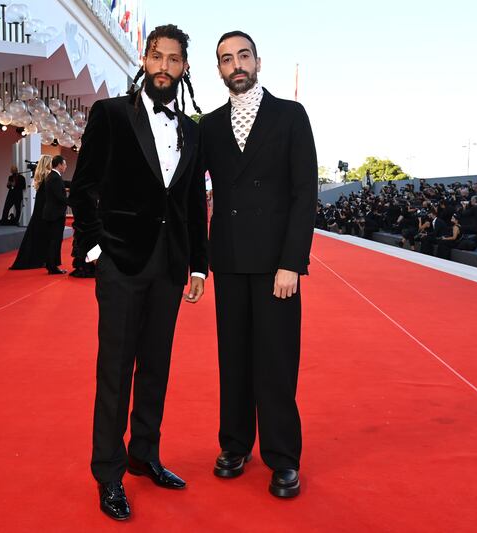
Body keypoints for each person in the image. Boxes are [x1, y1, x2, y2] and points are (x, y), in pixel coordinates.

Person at [68, 24, 208, 521]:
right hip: (122, 262)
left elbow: (193, 201)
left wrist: (199, 265)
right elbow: (83, 186)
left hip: (170, 265)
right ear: (144, 61)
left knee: (156, 367)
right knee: (115, 372)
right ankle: (108, 474)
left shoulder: (192, 129)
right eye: (157, 56)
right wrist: (92, 250)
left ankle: (144, 454)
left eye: (174, 59)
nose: (165, 66)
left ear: (184, 67)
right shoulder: (110, 115)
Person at [200, 30, 316, 499]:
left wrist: (292, 262)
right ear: (220, 69)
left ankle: (283, 457)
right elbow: (191, 191)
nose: (236, 64)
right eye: (227, 59)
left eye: (243, 55)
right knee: (233, 359)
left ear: (258, 61)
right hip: (228, 259)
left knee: (276, 361)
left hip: (276, 267)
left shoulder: (290, 116)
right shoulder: (208, 126)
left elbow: (303, 193)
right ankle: (235, 444)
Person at [10, 156, 53, 270]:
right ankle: (40, 259)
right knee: (42, 234)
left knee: (36, 233)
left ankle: (38, 258)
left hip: (39, 207)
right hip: (43, 207)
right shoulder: (49, 175)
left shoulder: (41, 175)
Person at [42, 156, 68, 275]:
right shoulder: (55, 178)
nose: (66, 166)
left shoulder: (51, 176)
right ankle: (53, 267)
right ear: (59, 165)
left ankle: (51, 265)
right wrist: (74, 202)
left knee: (52, 240)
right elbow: (60, 197)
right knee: (55, 241)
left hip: (51, 213)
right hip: (55, 215)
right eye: (64, 164)